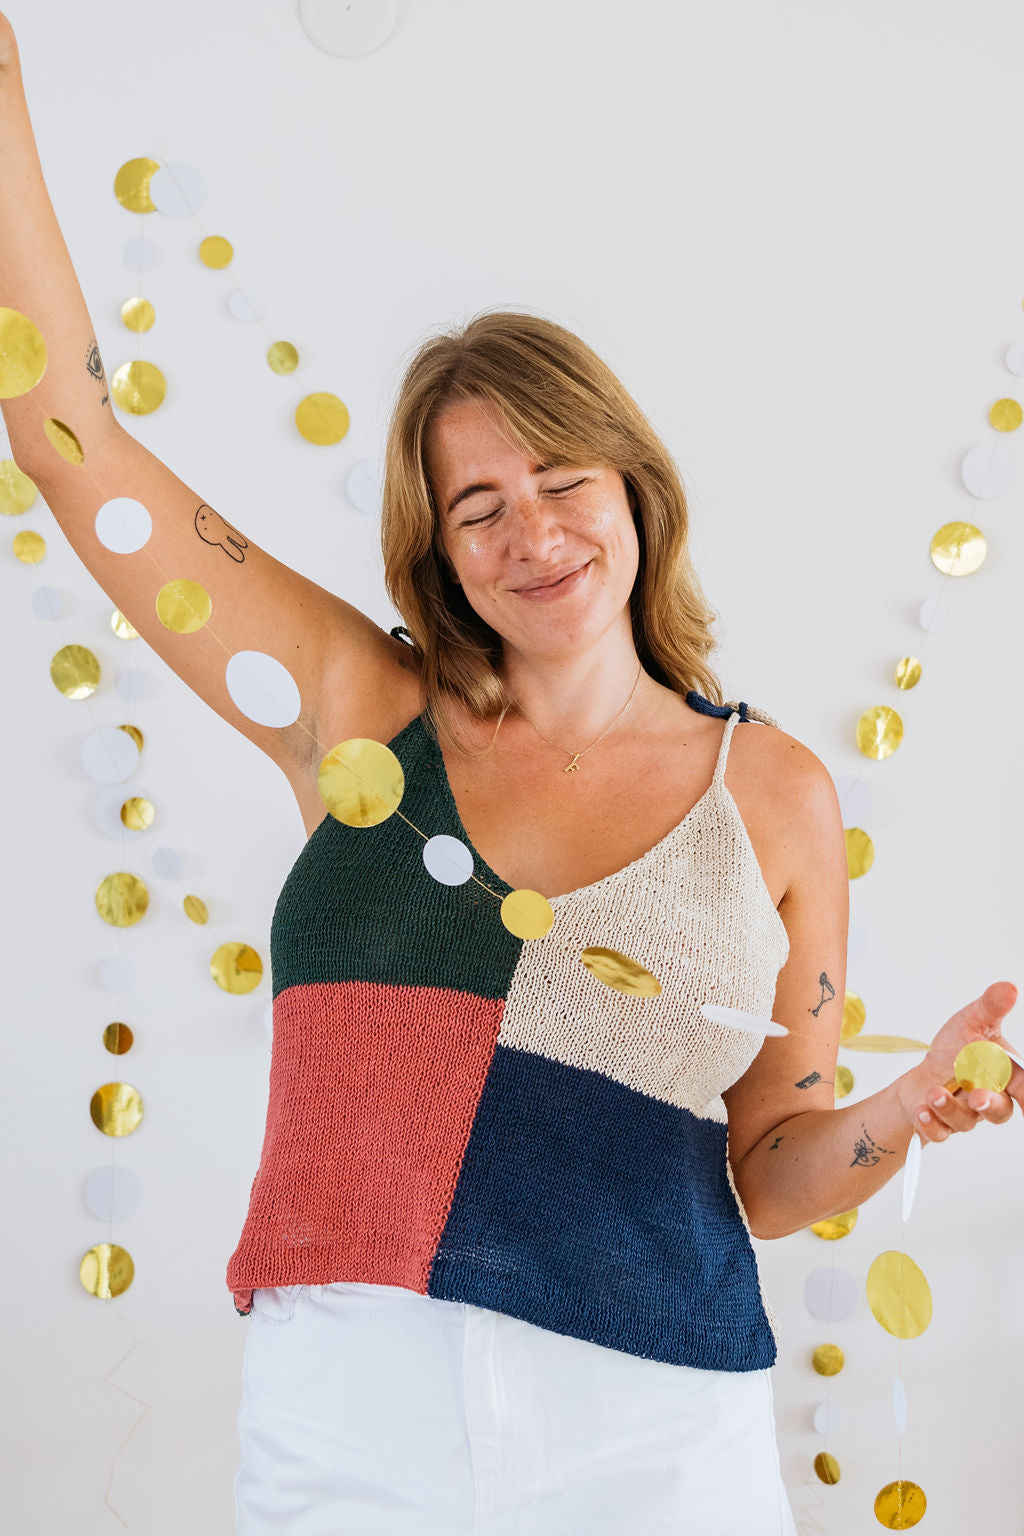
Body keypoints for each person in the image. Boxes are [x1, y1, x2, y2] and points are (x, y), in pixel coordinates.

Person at [1, 13, 1019, 1534]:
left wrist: (911, 1100)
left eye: (561, 482)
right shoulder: (360, 722)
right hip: (349, 1418)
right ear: (437, 551)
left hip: (658, 1432)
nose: (532, 534)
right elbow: (68, 435)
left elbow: (774, 1168)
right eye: (478, 507)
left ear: (634, 492)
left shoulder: (778, 797)